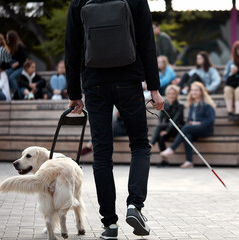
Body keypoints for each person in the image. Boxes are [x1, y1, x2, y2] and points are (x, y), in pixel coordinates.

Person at [65, 0, 165, 239]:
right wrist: (154, 89)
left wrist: (74, 94)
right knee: (140, 144)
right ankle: (135, 206)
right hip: (129, 80)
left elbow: (72, 47)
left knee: (101, 153)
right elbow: (146, 43)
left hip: (94, 82)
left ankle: (109, 225)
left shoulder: (79, 2)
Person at [160, 82, 215, 168]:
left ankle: (172, 149)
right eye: (192, 90)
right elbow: (189, 120)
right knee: (187, 135)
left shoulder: (207, 105)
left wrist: (199, 123)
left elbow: (210, 120)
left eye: (196, 90)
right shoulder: (192, 105)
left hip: (205, 129)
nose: (194, 92)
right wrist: (192, 123)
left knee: (186, 128)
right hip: (194, 129)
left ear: (201, 92)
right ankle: (189, 161)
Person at [150, 85, 184, 166]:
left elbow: (175, 121)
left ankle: (151, 145)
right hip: (167, 128)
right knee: (160, 135)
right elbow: (160, 121)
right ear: (166, 94)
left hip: (177, 129)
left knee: (160, 128)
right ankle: (165, 160)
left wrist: (167, 131)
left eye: (173, 93)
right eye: (169, 93)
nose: (171, 95)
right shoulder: (165, 105)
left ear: (176, 95)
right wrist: (164, 130)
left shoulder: (180, 106)